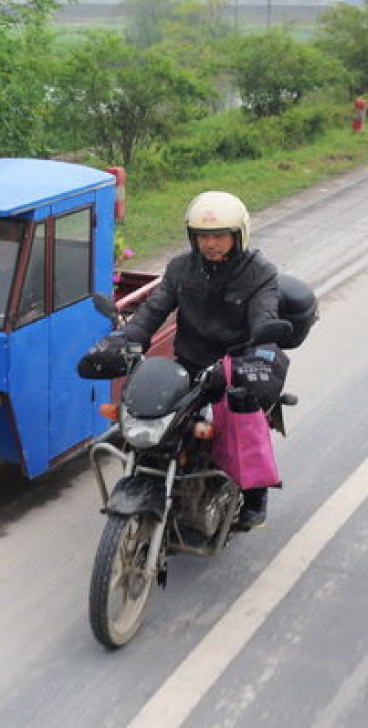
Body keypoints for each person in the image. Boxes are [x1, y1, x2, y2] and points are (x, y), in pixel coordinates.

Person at [88, 190, 280, 528]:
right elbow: (152, 311)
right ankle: (152, 477)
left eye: (219, 235)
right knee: (143, 417)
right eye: (203, 236)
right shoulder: (180, 268)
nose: (210, 243)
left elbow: (264, 322)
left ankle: (255, 493)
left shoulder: (259, 273)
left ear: (238, 235)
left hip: (233, 368)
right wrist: (123, 340)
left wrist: (257, 358)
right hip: (188, 365)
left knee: (242, 422)